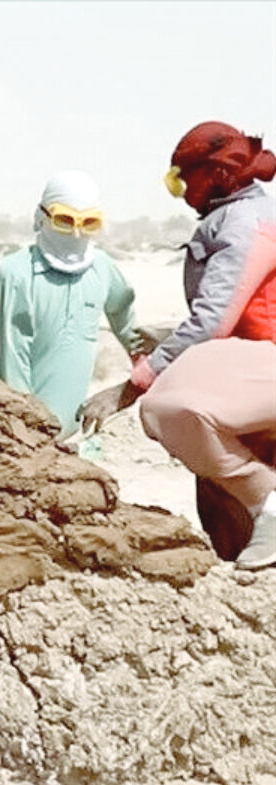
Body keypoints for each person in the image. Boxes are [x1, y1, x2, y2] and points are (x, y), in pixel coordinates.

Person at [80, 121, 276, 569]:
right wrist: (171, 339)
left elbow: (213, 321)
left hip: (259, 375)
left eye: (183, 178)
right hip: (247, 374)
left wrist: (130, 390)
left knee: (168, 409)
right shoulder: (243, 214)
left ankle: (270, 505)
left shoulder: (246, 223)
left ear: (216, 175)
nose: (183, 190)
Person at [0, 170, 145, 439]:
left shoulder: (103, 268)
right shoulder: (16, 273)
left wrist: (141, 380)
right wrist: (27, 427)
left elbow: (130, 330)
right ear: (42, 217)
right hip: (9, 428)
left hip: (67, 434)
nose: (77, 233)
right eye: (64, 220)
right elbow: (14, 357)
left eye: (88, 223)